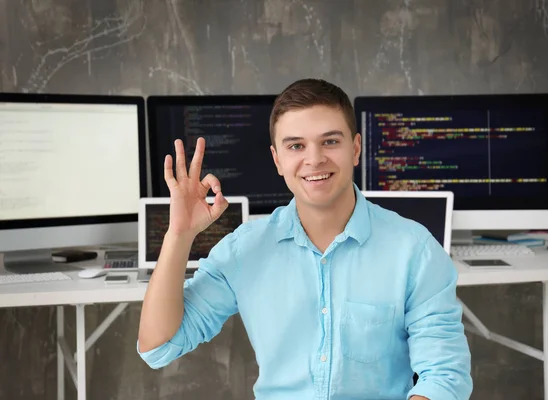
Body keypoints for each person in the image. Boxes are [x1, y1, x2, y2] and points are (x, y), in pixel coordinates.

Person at [137, 78, 473, 399]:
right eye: (296, 145)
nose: (314, 159)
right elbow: (158, 346)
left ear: (355, 148)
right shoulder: (245, 250)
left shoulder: (414, 250)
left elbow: (444, 376)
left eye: (330, 141)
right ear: (277, 160)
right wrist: (179, 235)